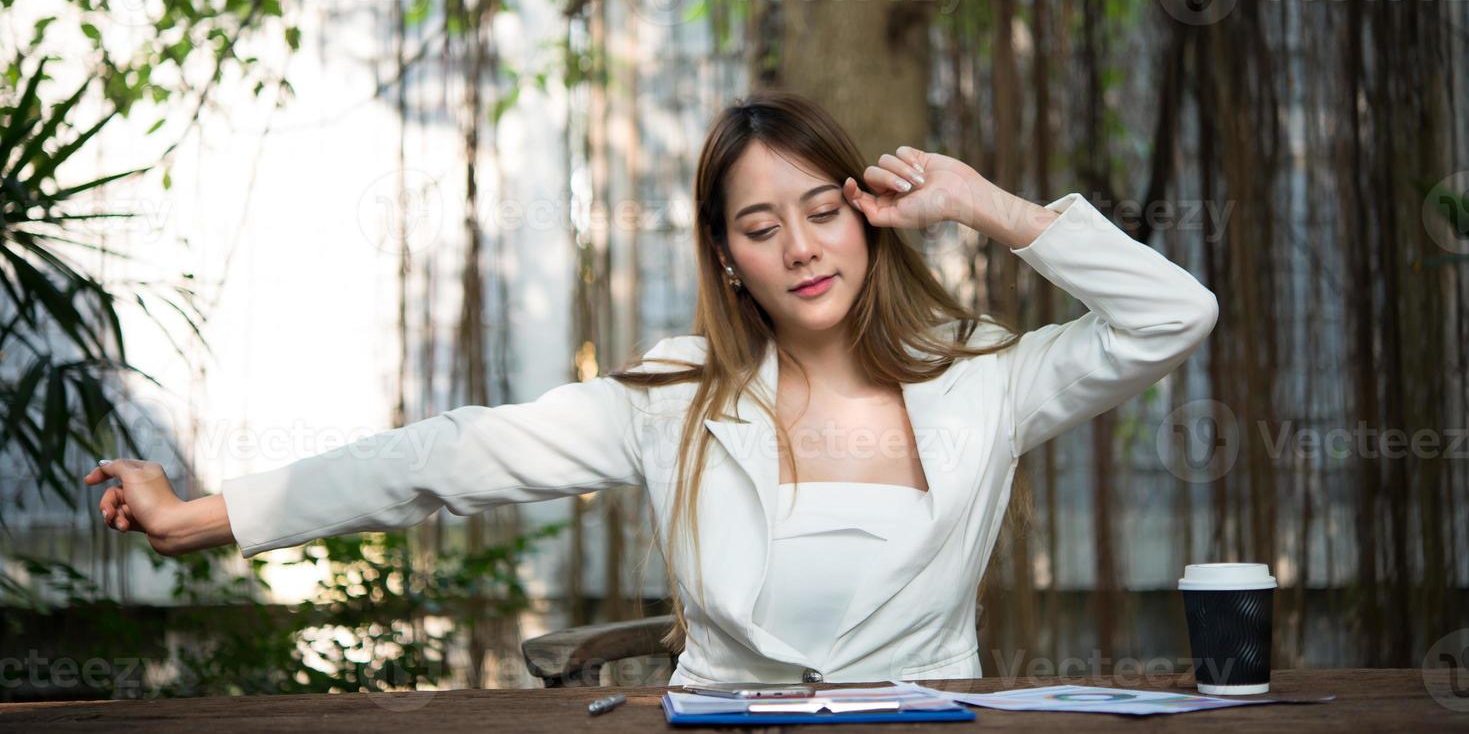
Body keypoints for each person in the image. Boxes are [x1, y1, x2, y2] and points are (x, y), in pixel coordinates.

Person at [84, 90, 1218, 685]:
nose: (803, 248)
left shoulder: (985, 373)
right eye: (762, 227)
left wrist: (985, 203)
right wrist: (209, 511)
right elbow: (442, 457)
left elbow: (1173, 314)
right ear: (728, 254)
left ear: (867, 217)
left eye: (825, 210)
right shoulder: (673, 395)